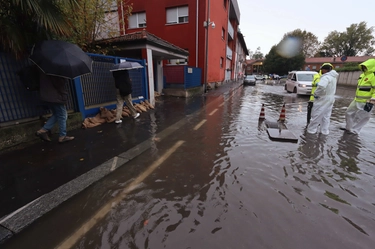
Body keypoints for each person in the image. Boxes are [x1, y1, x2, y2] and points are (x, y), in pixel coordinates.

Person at [35, 72, 74, 143]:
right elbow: (59, 85)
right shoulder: (55, 71)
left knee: (57, 114)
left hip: (46, 96)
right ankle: (62, 136)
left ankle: (43, 131)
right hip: (55, 97)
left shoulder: (44, 69)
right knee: (62, 115)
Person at [344, 58, 375, 134]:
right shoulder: (362, 75)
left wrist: (373, 100)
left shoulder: (373, 76)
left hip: (367, 101)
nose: (364, 68)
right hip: (357, 99)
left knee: (363, 117)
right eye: (363, 66)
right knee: (348, 112)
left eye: (366, 66)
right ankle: (349, 127)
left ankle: (355, 130)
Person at [307, 63, 338, 135]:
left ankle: (311, 131)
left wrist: (316, 94)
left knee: (316, 114)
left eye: (322, 70)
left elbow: (321, 86)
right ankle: (324, 131)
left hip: (322, 98)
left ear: (324, 70)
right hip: (330, 98)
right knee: (326, 116)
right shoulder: (333, 77)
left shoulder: (326, 77)